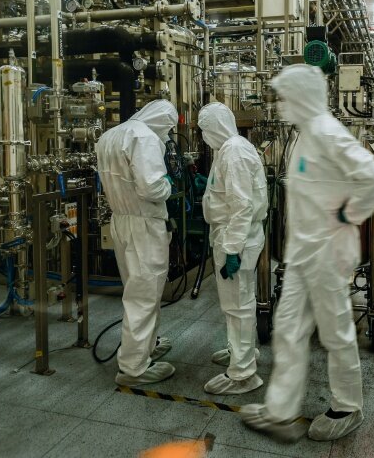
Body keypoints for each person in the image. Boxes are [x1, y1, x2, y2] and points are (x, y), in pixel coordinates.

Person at [239, 64, 374, 441]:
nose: (281, 105)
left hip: (326, 250)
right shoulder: (304, 134)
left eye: (286, 97)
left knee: (336, 330)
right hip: (304, 252)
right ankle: (281, 411)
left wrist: (348, 213)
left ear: (303, 97)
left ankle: (347, 407)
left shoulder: (325, 131)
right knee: (289, 329)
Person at [96, 100, 179, 386]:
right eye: (168, 128)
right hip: (144, 224)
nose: (168, 135)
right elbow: (152, 187)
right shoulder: (145, 138)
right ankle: (134, 367)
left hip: (120, 219)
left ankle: (148, 344)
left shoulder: (111, 135)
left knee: (138, 287)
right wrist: (169, 182)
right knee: (144, 294)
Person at [197, 102, 268, 395]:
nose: (203, 136)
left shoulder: (234, 152)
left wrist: (232, 249)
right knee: (237, 303)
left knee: (238, 305)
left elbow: (242, 206)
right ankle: (241, 352)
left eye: (204, 130)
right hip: (231, 235)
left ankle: (243, 374)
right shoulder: (229, 148)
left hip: (235, 238)